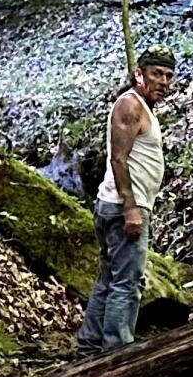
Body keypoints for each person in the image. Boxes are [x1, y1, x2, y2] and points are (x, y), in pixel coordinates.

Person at [73, 48, 175, 355]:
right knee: (127, 284)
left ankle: (89, 349)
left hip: (119, 206)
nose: (164, 82)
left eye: (169, 76)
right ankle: (117, 355)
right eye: (157, 74)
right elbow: (118, 159)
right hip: (123, 207)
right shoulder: (130, 105)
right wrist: (131, 207)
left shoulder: (142, 106)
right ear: (139, 74)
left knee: (108, 280)